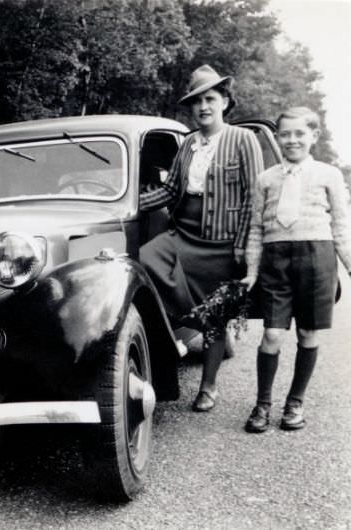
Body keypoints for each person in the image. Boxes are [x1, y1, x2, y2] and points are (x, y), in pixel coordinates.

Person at [140, 64, 264, 412]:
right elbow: (170, 190)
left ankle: (208, 387)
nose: (203, 107)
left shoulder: (244, 140)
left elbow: (255, 197)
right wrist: (129, 204)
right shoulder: (188, 144)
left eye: (210, 99)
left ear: (225, 101)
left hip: (223, 244)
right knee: (145, 261)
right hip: (182, 237)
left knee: (216, 315)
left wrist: (242, 245)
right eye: (196, 102)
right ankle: (186, 330)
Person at [241, 106, 351, 433]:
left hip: (317, 259)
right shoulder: (266, 178)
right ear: (277, 137)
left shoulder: (330, 175)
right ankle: (262, 403)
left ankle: (295, 402)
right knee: (272, 334)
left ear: (313, 137)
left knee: (307, 333)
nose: (292, 141)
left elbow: (341, 227)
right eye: (285, 134)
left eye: (300, 134)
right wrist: (251, 270)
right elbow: (256, 229)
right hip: (276, 262)